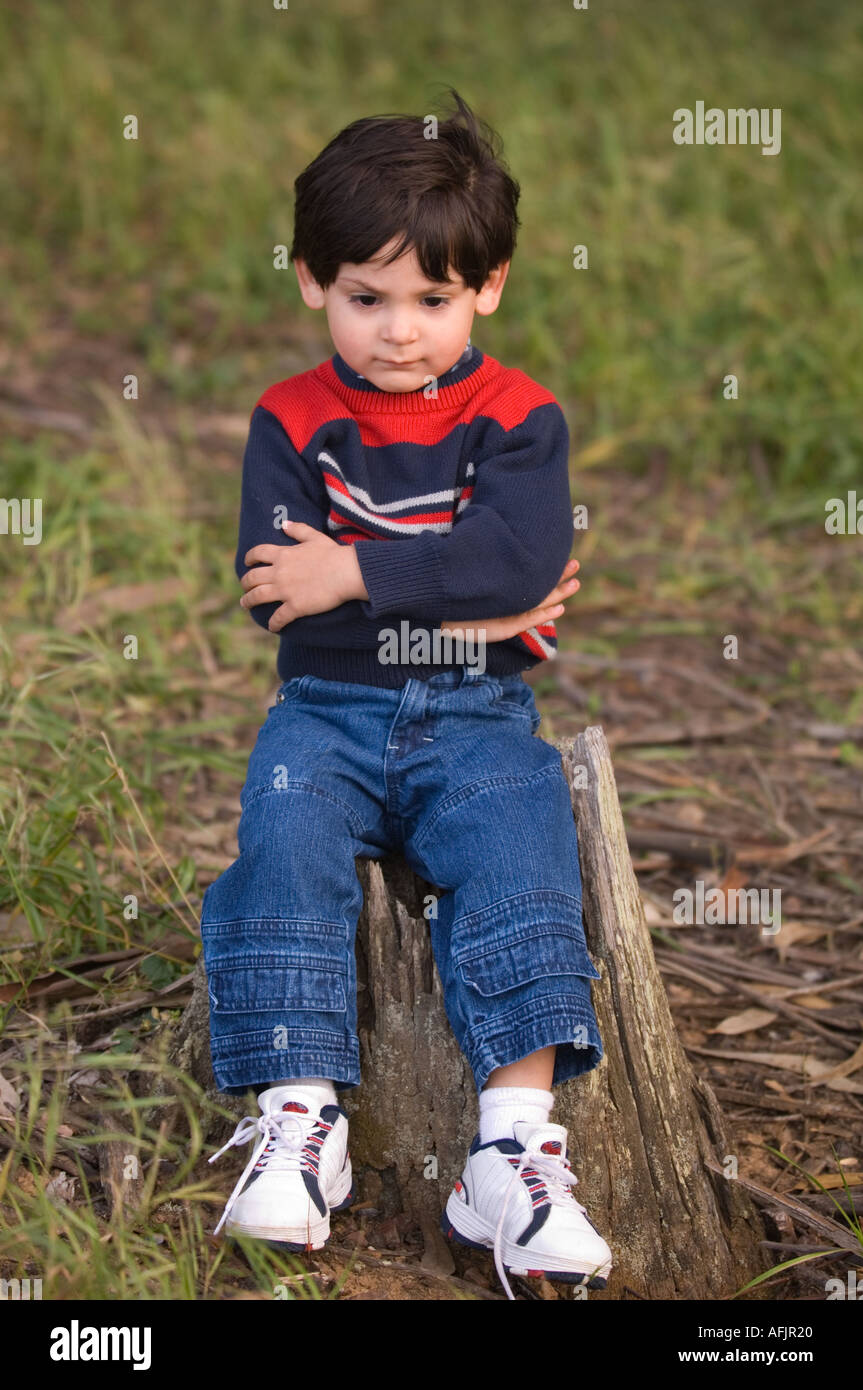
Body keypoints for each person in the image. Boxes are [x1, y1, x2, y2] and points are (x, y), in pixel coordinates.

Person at [201, 88, 612, 1300]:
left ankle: (510, 1150)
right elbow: (279, 598)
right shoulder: (290, 419)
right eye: (364, 297)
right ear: (309, 282)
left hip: (477, 718)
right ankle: (298, 1119)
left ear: (488, 286)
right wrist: (473, 604)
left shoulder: (518, 420)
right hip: (322, 716)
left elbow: (518, 561)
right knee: (283, 839)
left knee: (520, 843)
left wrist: (357, 570)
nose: (396, 332)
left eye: (432, 300)